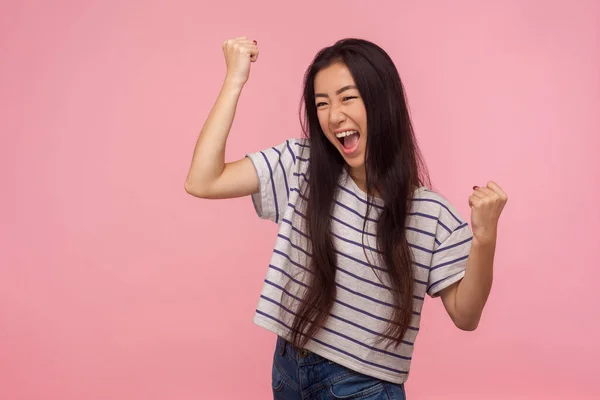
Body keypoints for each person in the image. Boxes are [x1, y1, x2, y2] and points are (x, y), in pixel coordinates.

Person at [185, 36, 508, 399]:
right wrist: (234, 80)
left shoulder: (429, 214)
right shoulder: (301, 166)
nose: (333, 115)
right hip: (289, 368)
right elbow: (202, 180)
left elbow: (466, 316)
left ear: (381, 102)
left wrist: (485, 240)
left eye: (347, 97)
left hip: (364, 386)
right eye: (321, 103)